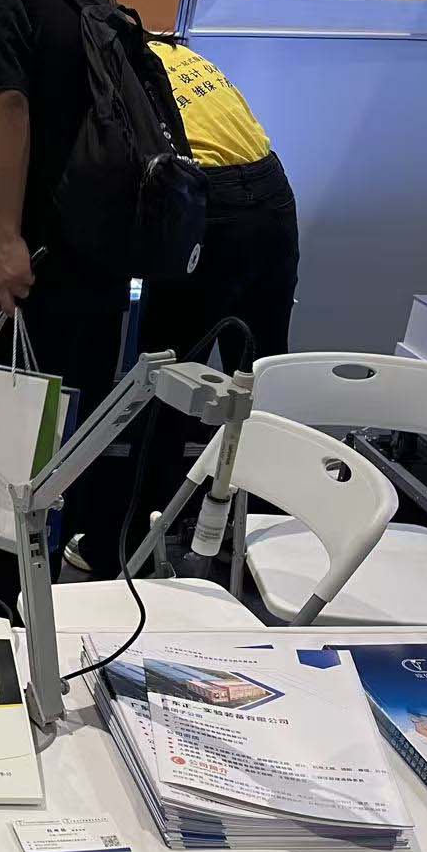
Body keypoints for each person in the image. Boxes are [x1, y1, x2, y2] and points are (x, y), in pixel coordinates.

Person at [0, 0, 133, 600]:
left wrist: (4, 239)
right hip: (93, 248)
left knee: (6, 429)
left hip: (36, 249)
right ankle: (41, 592)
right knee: (63, 431)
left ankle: (8, 602)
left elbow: (3, 98)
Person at [123, 39, 301, 562]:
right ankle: (259, 540)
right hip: (271, 190)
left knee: (169, 378)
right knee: (261, 375)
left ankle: (137, 543)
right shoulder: (180, 54)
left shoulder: (113, 66)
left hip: (208, 199)